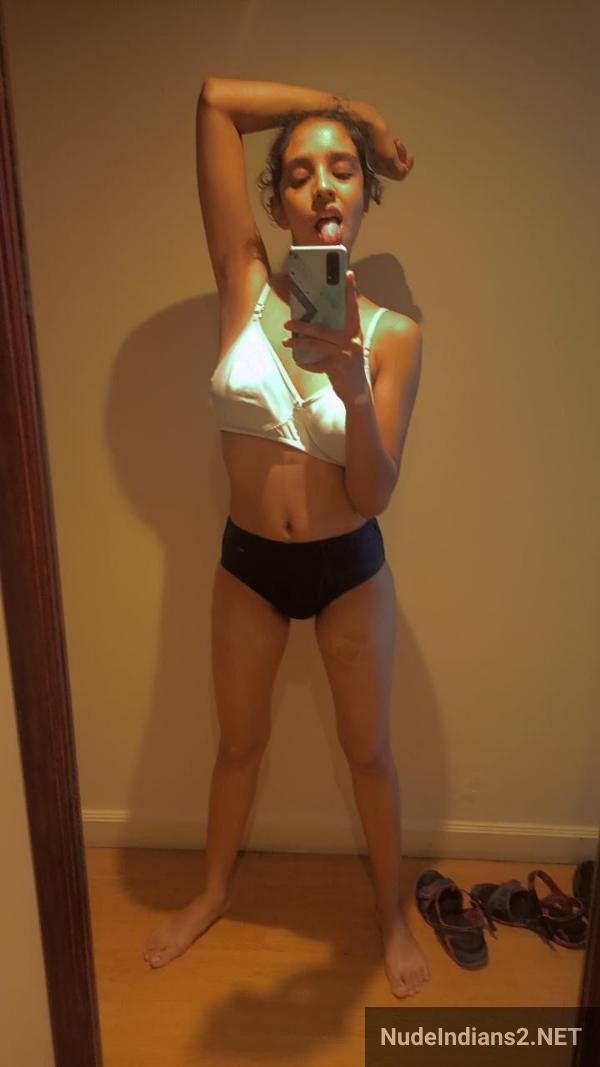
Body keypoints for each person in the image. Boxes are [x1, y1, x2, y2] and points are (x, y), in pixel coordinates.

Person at [143, 77, 427, 998]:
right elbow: (215, 102)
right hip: (250, 565)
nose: (323, 186)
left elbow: (374, 494)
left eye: (343, 168)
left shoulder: (394, 336)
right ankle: (213, 890)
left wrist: (352, 390)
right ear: (277, 203)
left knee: (368, 754)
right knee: (237, 745)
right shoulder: (244, 282)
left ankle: (390, 914)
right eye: (300, 173)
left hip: (349, 570)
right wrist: (361, 113)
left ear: (365, 194)